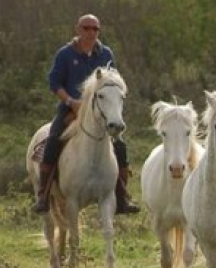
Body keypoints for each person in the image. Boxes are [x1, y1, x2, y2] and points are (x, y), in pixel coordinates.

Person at [32, 13, 139, 215]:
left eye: (95, 29)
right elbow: (54, 83)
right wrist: (71, 101)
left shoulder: (106, 54)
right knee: (53, 139)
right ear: (78, 30)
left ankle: (122, 197)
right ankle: (43, 195)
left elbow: (114, 82)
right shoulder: (65, 54)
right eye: (86, 28)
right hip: (71, 107)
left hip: (101, 111)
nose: (91, 32)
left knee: (120, 145)